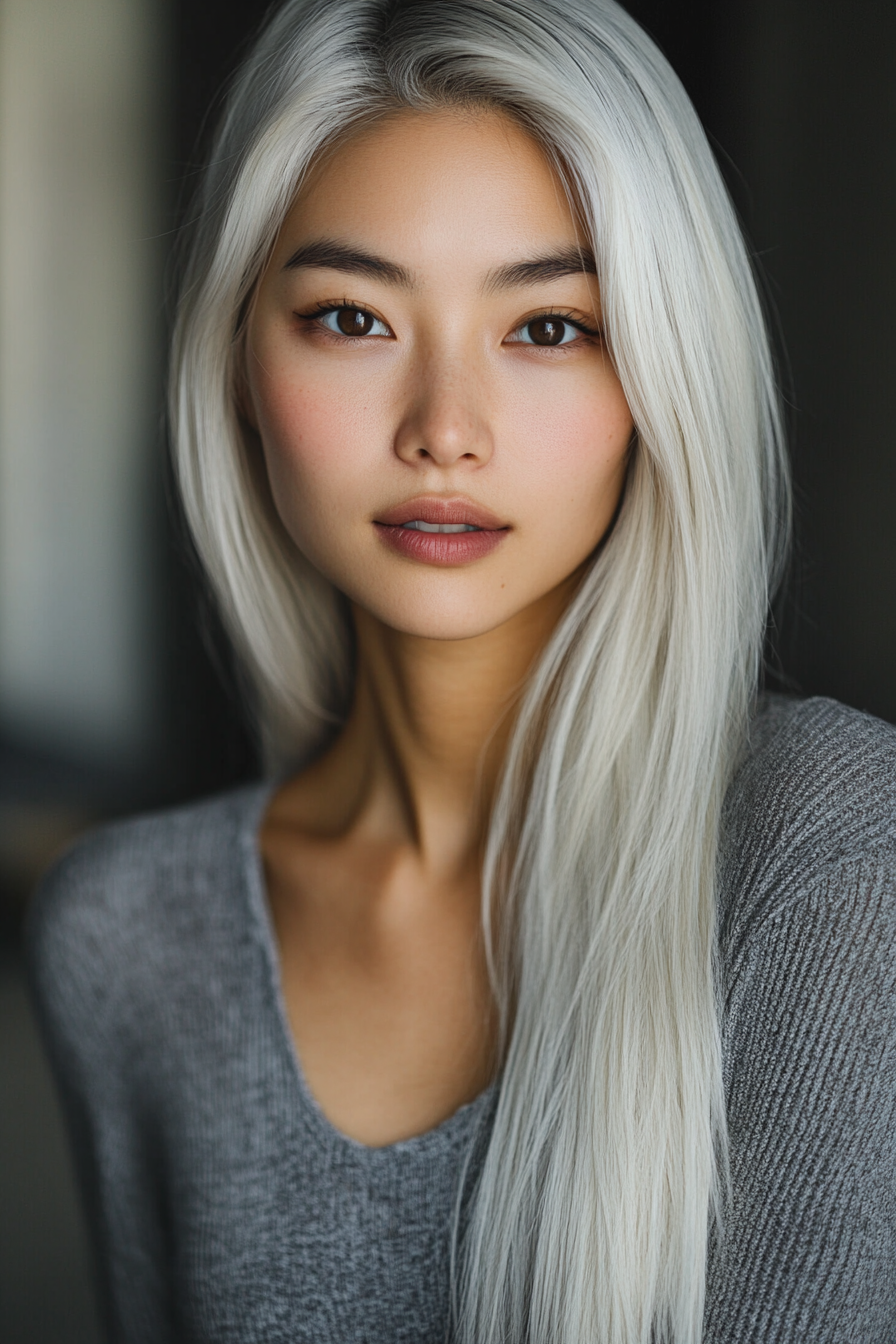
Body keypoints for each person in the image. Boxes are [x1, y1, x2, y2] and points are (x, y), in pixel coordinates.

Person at [27, 0, 896, 1340]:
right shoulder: (129, 934)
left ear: (663, 372)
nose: (445, 430)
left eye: (548, 328)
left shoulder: (836, 853)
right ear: (238, 363)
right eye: (351, 318)